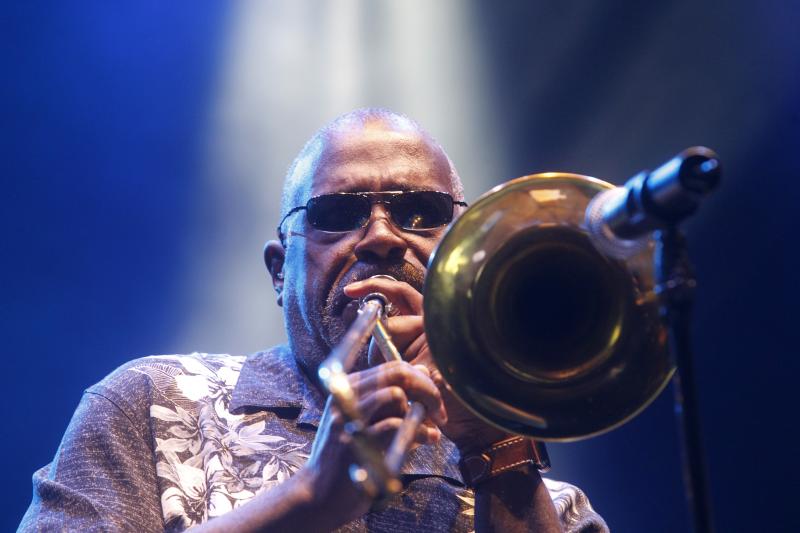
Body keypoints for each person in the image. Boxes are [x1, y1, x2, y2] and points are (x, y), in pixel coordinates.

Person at [20, 109, 608, 532]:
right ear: (280, 271)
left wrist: (501, 456)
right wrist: (312, 496)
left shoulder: (555, 506)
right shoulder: (151, 404)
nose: (382, 236)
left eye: (420, 212)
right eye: (338, 214)